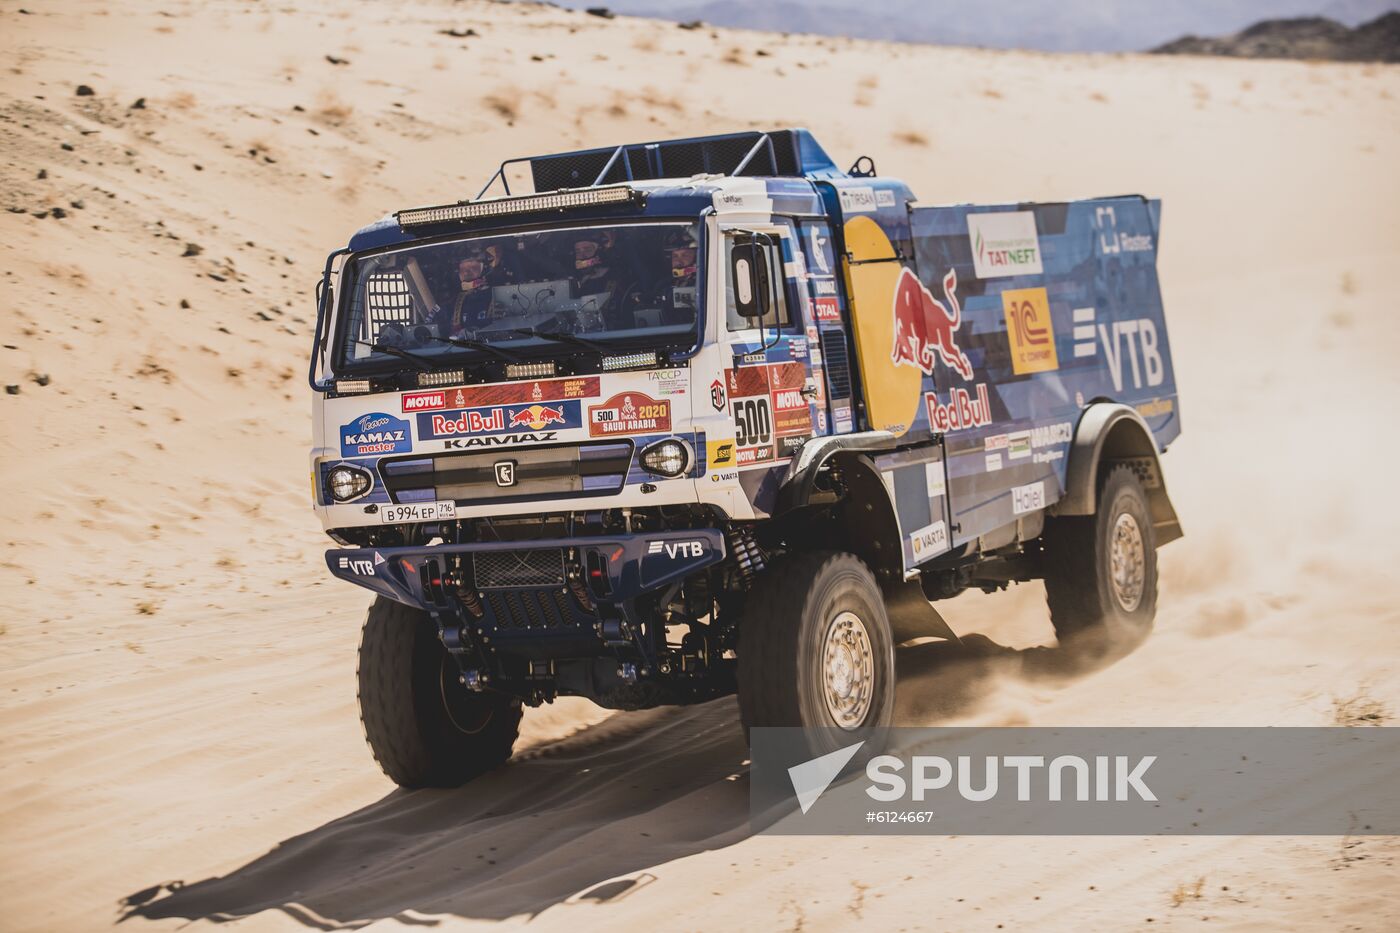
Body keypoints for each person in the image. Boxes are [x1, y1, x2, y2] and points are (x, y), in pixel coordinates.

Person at [441, 242, 508, 335]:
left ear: (486, 268)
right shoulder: (452, 303)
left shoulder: (503, 296)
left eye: (472, 266)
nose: (466, 272)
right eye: (462, 268)